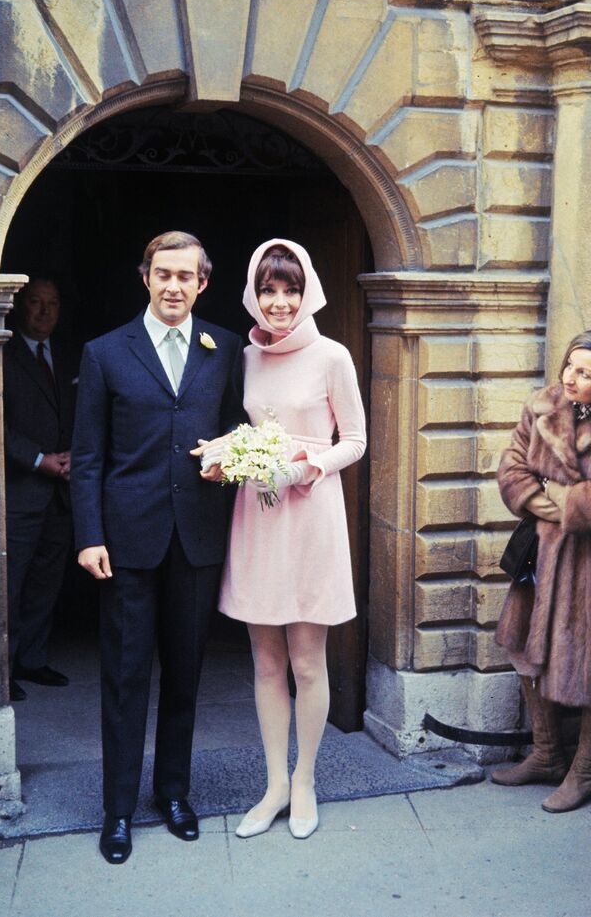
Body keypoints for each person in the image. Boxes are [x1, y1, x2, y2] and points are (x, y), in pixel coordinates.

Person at [70, 231, 245, 864]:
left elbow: (236, 425)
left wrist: (230, 457)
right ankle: (118, 809)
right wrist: (89, 535)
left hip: (196, 536)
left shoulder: (225, 347)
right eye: (163, 274)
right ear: (145, 278)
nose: (174, 286)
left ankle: (174, 794)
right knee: (124, 677)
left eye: (186, 276)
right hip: (126, 541)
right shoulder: (105, 352)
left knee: (185, 673)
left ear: (203, 283)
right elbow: (88, 456)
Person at [197, 239, 366, 839]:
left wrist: (304, 468)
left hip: (310, 512)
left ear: (307, 291)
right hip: (259, 516)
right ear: (253, 293)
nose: (279, 302)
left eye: (290, 290)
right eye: (268, 290)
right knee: (266, 662)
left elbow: (356, 440)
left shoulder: (332, 356)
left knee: (308, 663)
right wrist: (225, 454)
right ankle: (273, 785)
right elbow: (244, 428)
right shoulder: (244, 357)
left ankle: (305, 782)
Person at [493, 330, 591, 813]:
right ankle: (548, 754)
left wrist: (560, 497)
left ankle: (584, 771)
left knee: (587, 665)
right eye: (571, 365)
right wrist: (558, 503)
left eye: (586, 373)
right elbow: (511, 470)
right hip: (541, 556)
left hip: (585, 566)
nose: (572, 378)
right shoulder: (542, 407)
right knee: (523, 649)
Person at [3, 277, 76, 702]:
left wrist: (73, 456)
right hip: (20, 491)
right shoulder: (2, 351)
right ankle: (4, 667)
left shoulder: (67, 355)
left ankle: (32, 658)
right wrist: (37, 460)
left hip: (61, 492)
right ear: (19, 305)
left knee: (46, 581)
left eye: (53, 303)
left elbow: (86, 412)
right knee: (10, 584)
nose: (45, 312)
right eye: (36, 302)